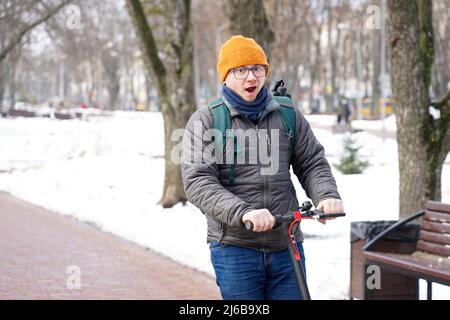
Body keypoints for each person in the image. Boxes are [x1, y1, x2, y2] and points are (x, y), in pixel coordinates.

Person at [181, 35, 343, 300]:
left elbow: (312, 162)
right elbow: (199, 181)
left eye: (257, 69)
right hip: (235, 248)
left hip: (286, 244)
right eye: (240, 70)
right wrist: (243, 212)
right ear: (225, 76)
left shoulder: (287, 115)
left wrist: (326, 194)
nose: (251, 77)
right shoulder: (207, 121)